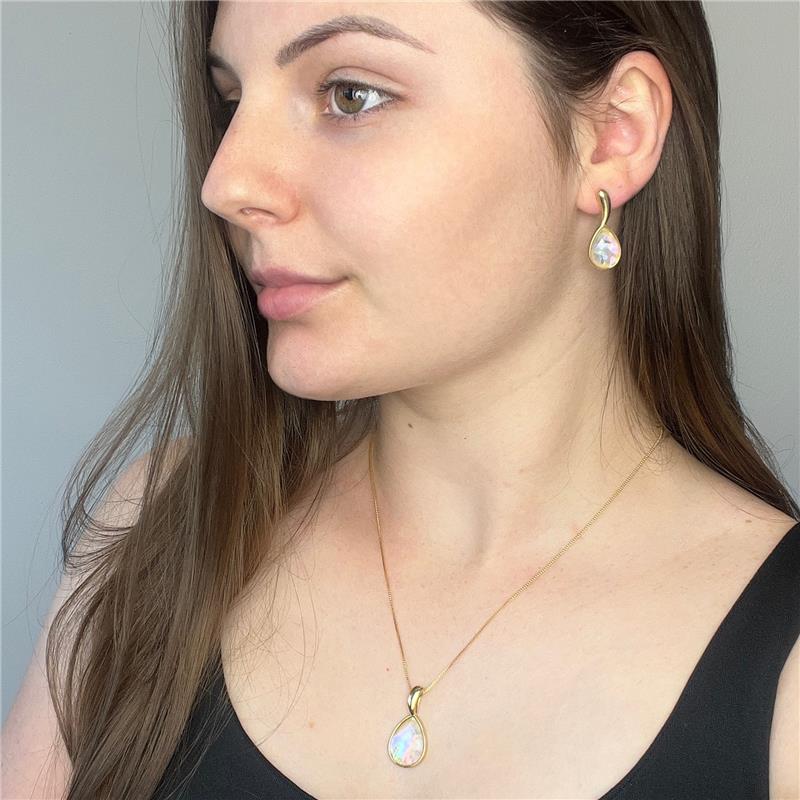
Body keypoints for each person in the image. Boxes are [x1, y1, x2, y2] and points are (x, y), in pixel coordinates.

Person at [3, 2, 798, 799]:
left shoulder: (784, 677)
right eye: (231, 100)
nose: (226, 182)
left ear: (614, 133)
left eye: (350, 95)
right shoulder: (158, 530)